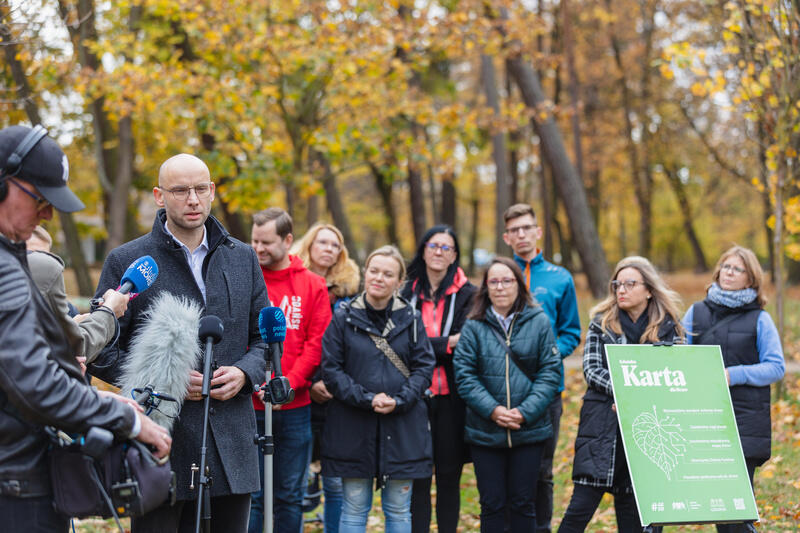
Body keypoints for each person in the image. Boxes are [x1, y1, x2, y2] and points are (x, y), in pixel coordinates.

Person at [0, 125, 170, 532]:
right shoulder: (5, 270)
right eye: (40, 199)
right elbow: (33, 384)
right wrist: (124, 418)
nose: (47, 215)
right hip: (16, 489)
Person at [89, 153, 267, 533]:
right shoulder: (128, 260)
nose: (193, 199)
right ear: (158, 195)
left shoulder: (244, 258)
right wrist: (160, 379)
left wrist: (245, 373)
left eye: (201, 189)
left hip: (232, 443)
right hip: (161, 444)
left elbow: (263, 339)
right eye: (180, 190)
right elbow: (99, 350)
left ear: (212, 191)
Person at [558, 256, 684, 532]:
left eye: (630, 284)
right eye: (617, 284)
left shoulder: (669, 327)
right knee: (578, 512)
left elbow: (673, 377)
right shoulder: (601, 323)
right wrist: (629, 393)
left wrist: (634, 399)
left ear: (649, 290)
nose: (621, 290)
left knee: (636, 518)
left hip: (646, 432)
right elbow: (592, 370)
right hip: (601, 429)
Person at [320, 245, 435, 533]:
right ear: (365, 273)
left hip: (402, 428)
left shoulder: (411, 319)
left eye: (388, 274)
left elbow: (424, 368)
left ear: (399, 282)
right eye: (374, 271)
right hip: (353, 427)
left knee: (398, 509)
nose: (379, 278)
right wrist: (367, 399)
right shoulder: (343, 317)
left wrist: (400, 400)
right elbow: (332, 370)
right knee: (355, 508)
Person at [453, 256, 561, 533]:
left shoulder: (539, 321)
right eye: (494, 282)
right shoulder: (474, 326)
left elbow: (550, 373)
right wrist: (494, 410)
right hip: (485, 431)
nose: (500, 287)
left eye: (507, 280)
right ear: (486, 288)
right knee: (492, 504)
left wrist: (525, 412)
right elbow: (464, 376)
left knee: (524, 502)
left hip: (529, 430)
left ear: (519, 285)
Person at [683, 246, 784, 533]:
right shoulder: (696, 312)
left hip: (744, 420)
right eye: (725, 266)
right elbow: (679, 356)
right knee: (719, 504)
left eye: (737, 269)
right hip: (704, 416)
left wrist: (733, 375)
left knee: (735, 505)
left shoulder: (760, 319)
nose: (729, 272)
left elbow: (775, 366)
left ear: (750, 279)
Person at [248, 209, 333, 533]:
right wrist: (255, 381)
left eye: (266, 242)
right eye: (254, 241)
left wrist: (289, 383)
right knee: (253, 495)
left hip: (296, 409)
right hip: (251, 405)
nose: (258, 248)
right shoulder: (248, 279)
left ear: (287, 240)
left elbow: (316, 341)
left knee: (289, 495)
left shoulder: (312, 285)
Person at [503, 203, 581, 532]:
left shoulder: (560, 278)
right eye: (514, 230)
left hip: (547, 388)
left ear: (537, 232)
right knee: (505, 467)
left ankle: (540, 527)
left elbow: (572, 332)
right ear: (507, 237)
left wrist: (548, 355)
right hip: (503, 388)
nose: (521, 235)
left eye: (527, 228)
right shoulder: (499, 276)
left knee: (542, 469)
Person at [402, 225, 477, 533]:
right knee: (417, 476)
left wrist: (423, 345)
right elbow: (402, 344)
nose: (438, 252)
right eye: (433, 245)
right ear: (423, 249)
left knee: (448, 475)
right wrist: (446, 343)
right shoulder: (406, 292)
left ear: (454, 256)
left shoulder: (469, 294)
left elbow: (467, 343)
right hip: (414, 397)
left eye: (446, 248)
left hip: (451, 398)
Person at [291, 222, 361, 533]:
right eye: (323, 242)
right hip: (301, 392)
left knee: (335, 480)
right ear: (309, 245)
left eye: (335, 245)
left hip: (337, 398)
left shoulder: (349, 293)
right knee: (294, 479)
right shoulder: (293, 283)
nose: (329, 249)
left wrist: (336, 384)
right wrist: (307, 382)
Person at [26, 226, 126, 366]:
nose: (40, 265)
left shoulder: (69, 310)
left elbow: (81, 366)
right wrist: (108, 312)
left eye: (46, 257)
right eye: (32, 255)